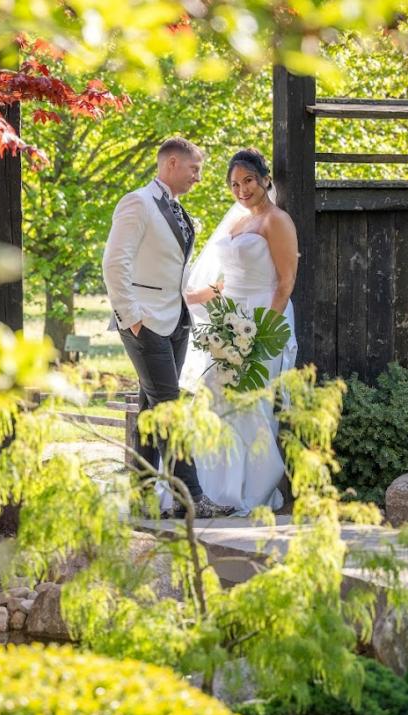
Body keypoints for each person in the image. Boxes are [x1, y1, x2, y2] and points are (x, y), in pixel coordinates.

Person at [101, 137, 233, 518]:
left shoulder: (175, 208)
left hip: (175, 320)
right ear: (172, 163)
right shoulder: (137, 202)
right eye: (194, 169)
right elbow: (115, 263)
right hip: (145, 323)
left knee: (150, 410)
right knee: (169, 408)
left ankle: (141, 496)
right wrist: (132, 318)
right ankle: (190, 497)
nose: (198, 177)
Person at [181, 147, 299, 514]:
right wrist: (189, 297)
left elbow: (285, 283)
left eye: (248, 180)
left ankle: (251, 489)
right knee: (216, 401)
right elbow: (222, 283)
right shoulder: (236, 223)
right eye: (234, 184)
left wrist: (262, 333)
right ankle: (213, 489)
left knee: (251, 403)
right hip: (228, 320)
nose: (242, 189)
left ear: (265, 179)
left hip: (264, 318)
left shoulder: (276, 221)